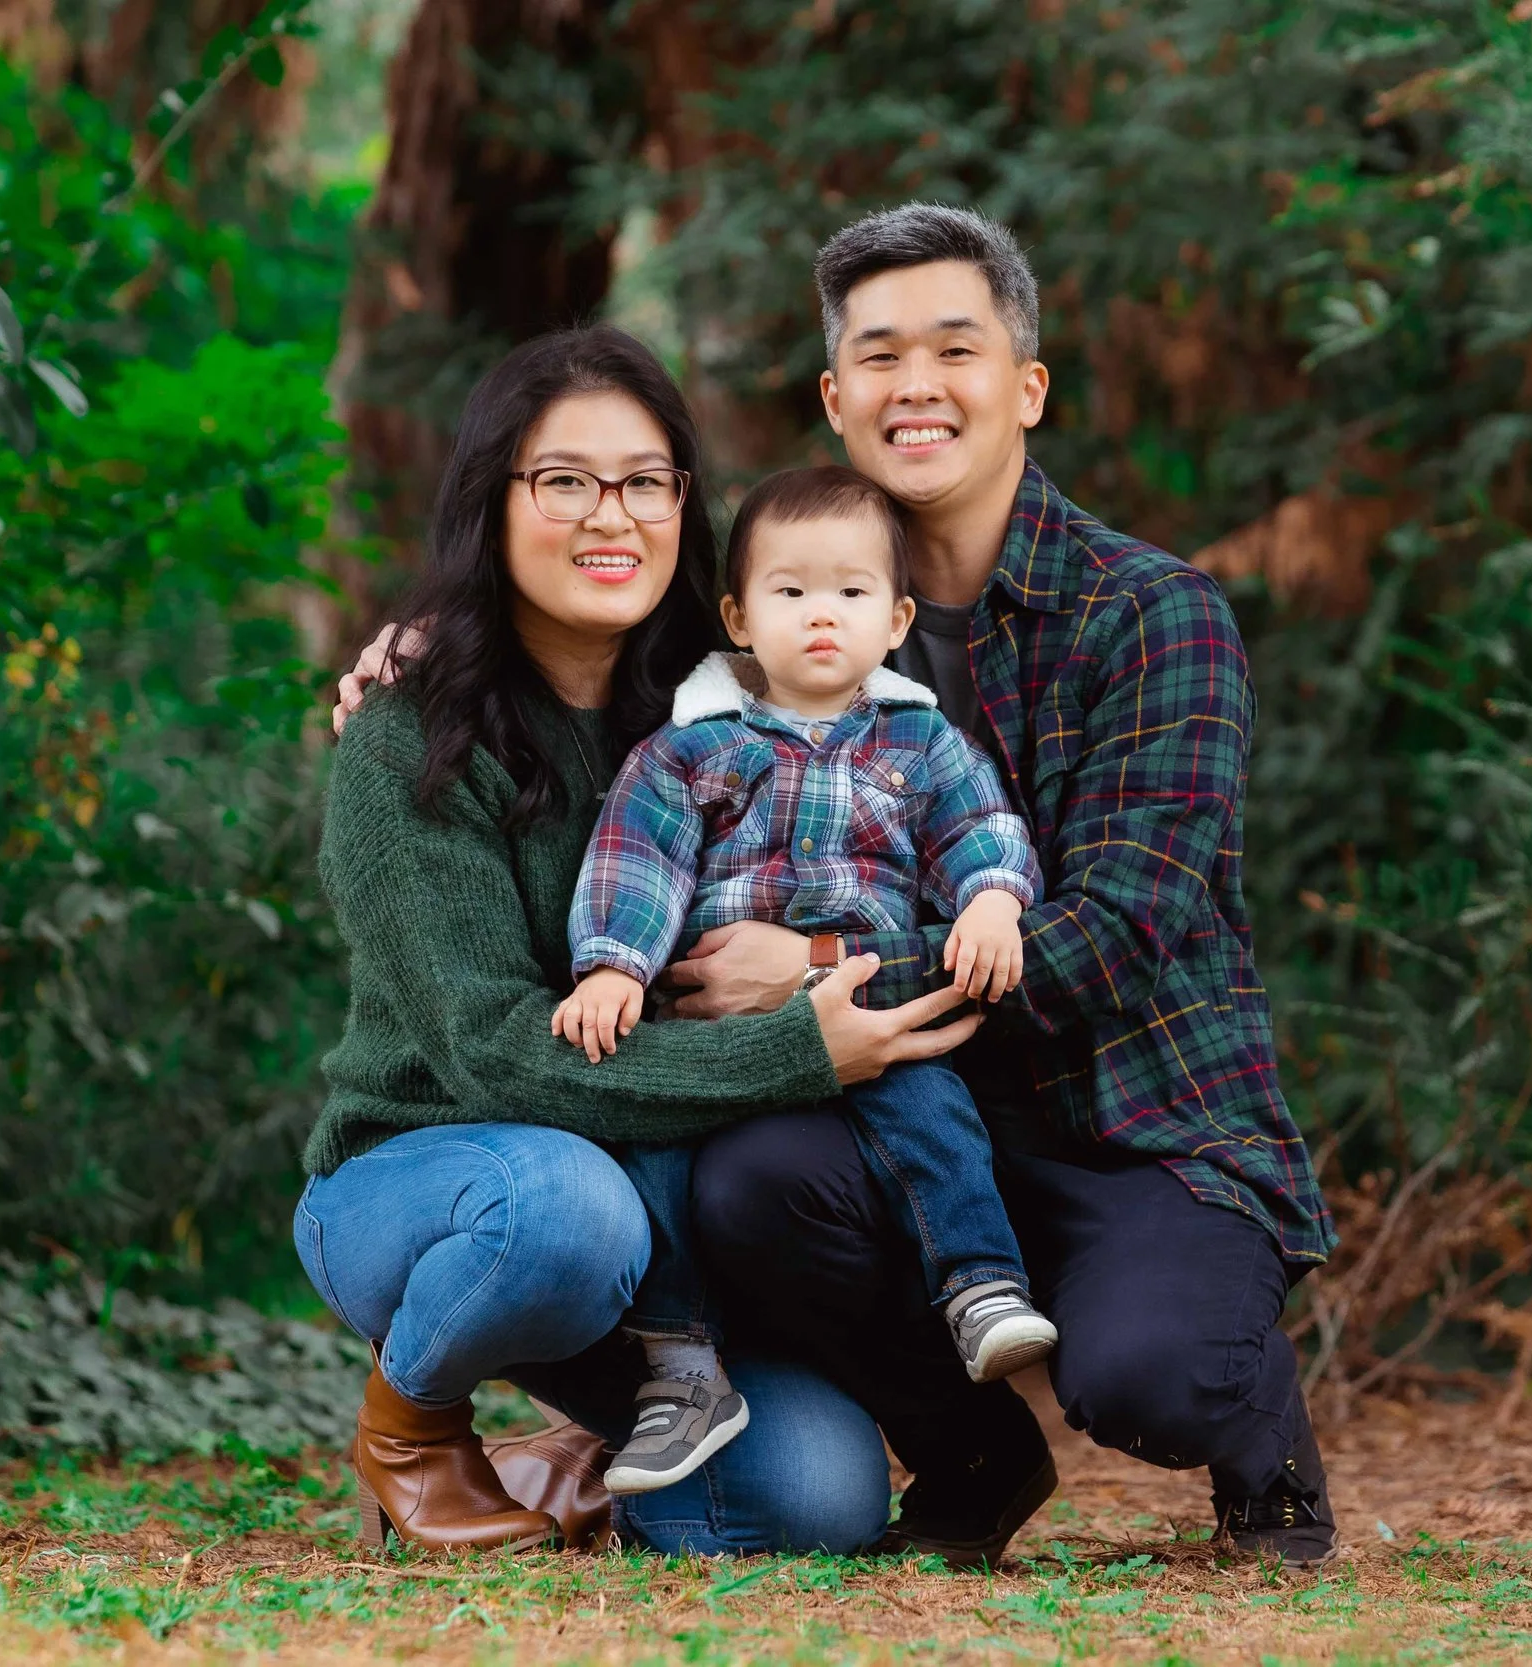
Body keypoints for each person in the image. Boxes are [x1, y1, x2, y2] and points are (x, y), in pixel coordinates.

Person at [334, 206, 1342, 1572]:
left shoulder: (1149, 615)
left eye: (955, 347)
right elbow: (570, 623)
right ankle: (967, 1447)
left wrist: (816, 977)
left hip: (1122, 1125)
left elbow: (1124, 927)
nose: (914, 384)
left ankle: (1257, 1442)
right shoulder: (772, 638)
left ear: (1026, 385)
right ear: (833, 397)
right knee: (730, 1188)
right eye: (878, 353)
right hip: (860, 1117)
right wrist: (424, 644)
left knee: (1102, 1391)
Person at [296, 325, 983, 1558]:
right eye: (564, 480)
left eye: (647, 479)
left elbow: (916, 902)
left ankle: (563, 1459)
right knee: (568, 1211)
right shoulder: (412, 739)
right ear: (492, 501)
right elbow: (496, 1054)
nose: (610, 514)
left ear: (685, 508)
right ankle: (413, 1426)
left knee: (815, 1494)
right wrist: (792, 1056)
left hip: (659, 1224)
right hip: (435, 1183)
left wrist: (822, 975)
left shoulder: (726, 716)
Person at [550, 465, 1057, 1497]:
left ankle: (978, 1283)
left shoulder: (920, 739)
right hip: (717, 1021)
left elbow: (980, 830)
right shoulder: (692, 745)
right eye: (789, 593)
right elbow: (636, 856)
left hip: (862, 1005)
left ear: (897, 615)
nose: (820, 615)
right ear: (739, 614)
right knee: (655, 1144)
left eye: (850, 593)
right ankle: (682, 1368)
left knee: (932, 1112)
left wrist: (993, 898)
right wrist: (612, 962)